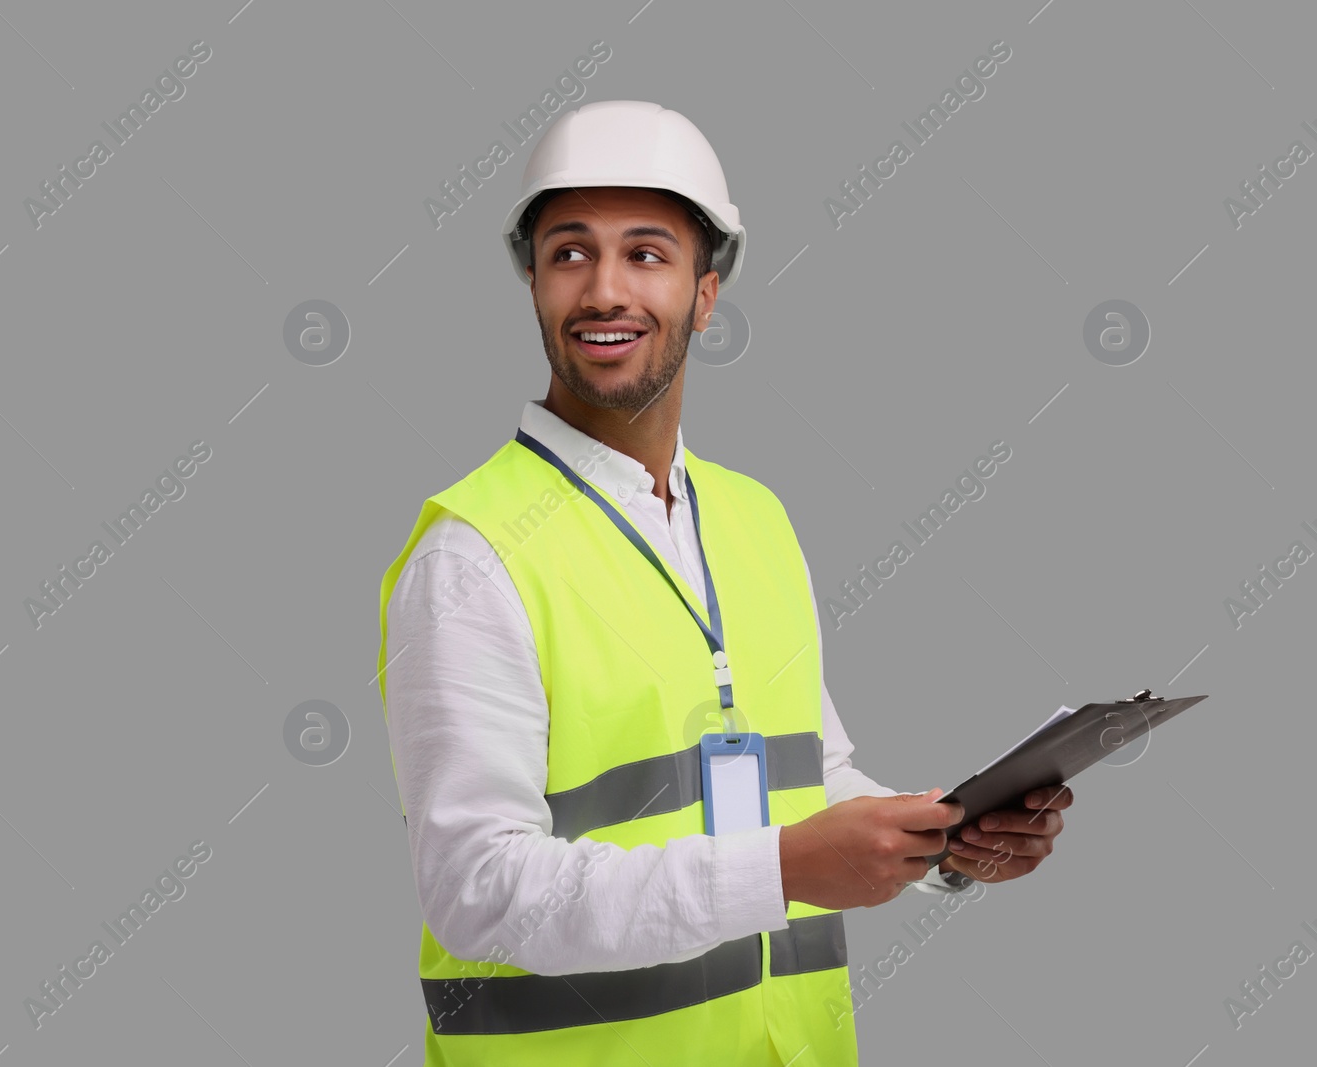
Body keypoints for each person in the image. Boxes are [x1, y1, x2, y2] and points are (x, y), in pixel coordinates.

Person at [375, 99, 1072, 1067]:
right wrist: (785, 867)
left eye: (647, 254)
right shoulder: (473, 555)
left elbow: (805, 774)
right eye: (569, 252)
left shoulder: (752, 518)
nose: (603, 290)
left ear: (706, 293)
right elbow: (478, 893)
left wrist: (943, 845)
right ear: (532, 282)